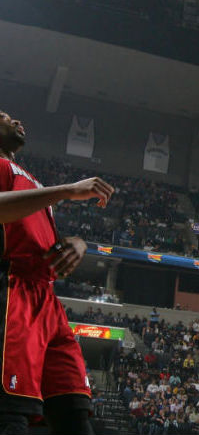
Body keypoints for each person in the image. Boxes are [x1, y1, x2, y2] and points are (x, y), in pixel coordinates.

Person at [0, 110, 115, 434]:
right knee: (11, 412)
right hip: (12, 290)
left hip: (46, 300)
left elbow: (42, 236)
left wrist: (77, 243)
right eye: (4, 117)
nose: (17, 121)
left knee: (74, 412)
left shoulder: (27, 176)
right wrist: (66, 190)